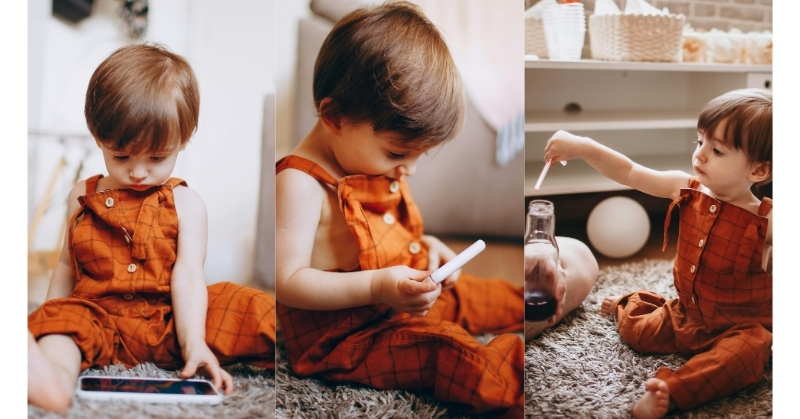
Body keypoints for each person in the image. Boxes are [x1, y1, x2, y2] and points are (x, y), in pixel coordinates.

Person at [275, 2, 531, 416]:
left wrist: (427, 245)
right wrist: (378, 286)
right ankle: (512, 381)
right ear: (333, 116)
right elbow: (288, 281)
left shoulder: (360, 158)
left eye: (418, 155)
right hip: (350, 336)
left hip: (401, 296)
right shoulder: (299, 183)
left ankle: (536, 305)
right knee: (444, 353)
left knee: (485, 296)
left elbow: (385, 235)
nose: (409, 169)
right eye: (398, 151)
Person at [27, 43, 277, 412]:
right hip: (100, 320)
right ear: (98, 138)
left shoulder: (187, 204)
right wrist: (49, 322)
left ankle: (312, 343)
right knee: (64, 323)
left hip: (170, 322)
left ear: (184, 139)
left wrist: (194, 343)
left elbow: (189, 277)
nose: (139, 171)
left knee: (247, 305)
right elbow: (66, 265)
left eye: (158, 157)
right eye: (121, 157)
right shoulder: (80, 195)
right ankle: (52, 380)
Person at [544, 88, 772, 419]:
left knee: (750, 352)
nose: (700, 155)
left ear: (758, 171)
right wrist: (583, 147)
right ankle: (630, 301)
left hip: (741, 325)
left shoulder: (768, 219)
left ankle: (673, 391)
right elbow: (629, 172)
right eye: (700, 142)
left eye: (717, 150)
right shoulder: (686, 188)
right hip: (687, 316)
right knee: (637, 332)